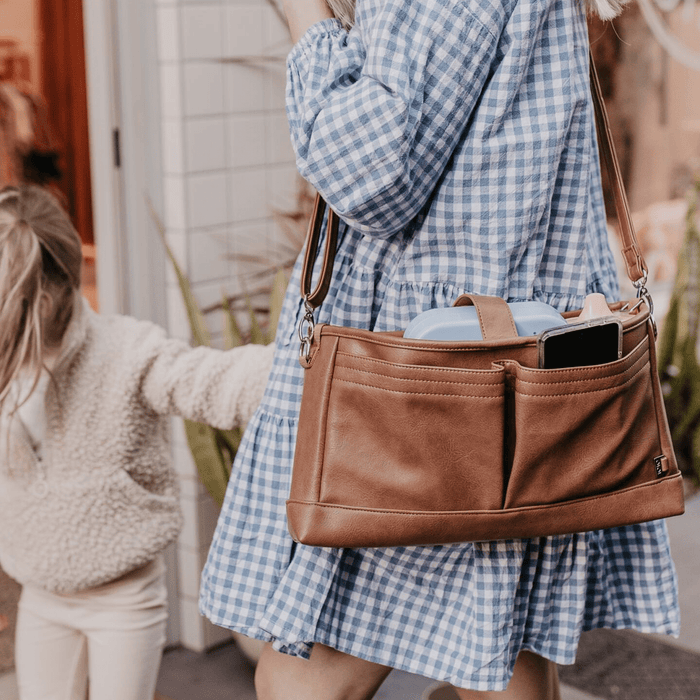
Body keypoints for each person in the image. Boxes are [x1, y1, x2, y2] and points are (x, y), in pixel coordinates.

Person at [199, 0, 680, 696]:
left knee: (307, 677)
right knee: (501, 654)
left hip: (423, 385)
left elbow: (370, 176)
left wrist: (304, 15)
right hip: (515, 366)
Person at [0, 184, 275, 700]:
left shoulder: (126, 352)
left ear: (54, 292)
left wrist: (303, 366)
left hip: (122, 598)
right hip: (41, 593)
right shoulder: (5, 356)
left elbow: (213, 381)